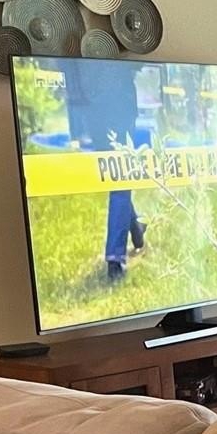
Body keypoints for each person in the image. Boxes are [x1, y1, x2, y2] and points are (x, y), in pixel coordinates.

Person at [64, 60, 148, 279]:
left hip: (90, 105)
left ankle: (136, 229)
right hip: (118, 100)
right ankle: (115, 258)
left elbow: (69, 68)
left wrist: (76, 118)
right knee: (120, 178)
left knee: (117, 179)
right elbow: (137, 59)